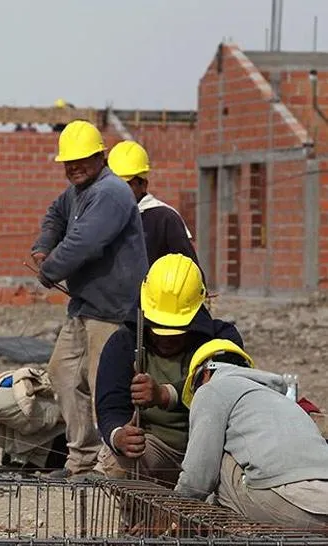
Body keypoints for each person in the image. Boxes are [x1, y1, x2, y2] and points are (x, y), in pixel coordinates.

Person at [30, 119, 148, 479]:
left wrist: (50, 269)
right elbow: (55, 215)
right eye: (68, 162)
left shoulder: (111, 192)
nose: (74, 167)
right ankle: (81, 461)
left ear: (101, 156)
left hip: (113, 311)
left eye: (82, 159)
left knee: (104, 386)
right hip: (85, 307)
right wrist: (41, 248)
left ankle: (109, 466)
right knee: (62, 374)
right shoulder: (79, 191)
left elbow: (84, 241)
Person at [95, 254, 242, 486]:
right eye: (158, 326)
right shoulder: (124, 344)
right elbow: (109, 406)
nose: (167, 339)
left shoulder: (222, 340)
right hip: (157, 448)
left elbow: (224, 386)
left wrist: (164, 395)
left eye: (177, 329)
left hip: (211, 449)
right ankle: (142, 518)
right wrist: (118, 435)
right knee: (116, 463)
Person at [176, 343, 328, 530]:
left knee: (218, 458)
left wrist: (171, 514)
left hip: (290, 505)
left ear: (205, 373)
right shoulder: (283, 401)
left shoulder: (212, 388)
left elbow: (198, 478)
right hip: (322, 500)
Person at [107, 141, 198, 265]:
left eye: (127, 184)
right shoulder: (101, 215)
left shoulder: (165, 219)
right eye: (115, 183)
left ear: (143, 185)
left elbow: (189, 271)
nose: (119, 190)